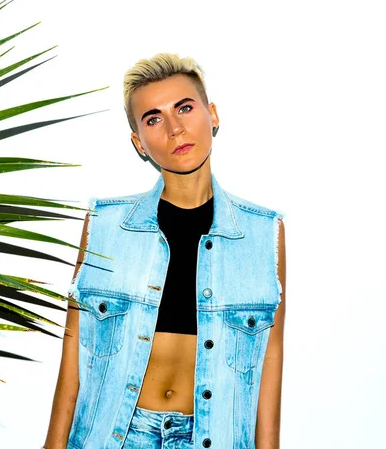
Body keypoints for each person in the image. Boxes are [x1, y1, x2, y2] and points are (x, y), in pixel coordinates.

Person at [43, 53, 286, 449]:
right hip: (115, 436)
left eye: (185, 108)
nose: (174, 129)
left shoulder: (263, 232)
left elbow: (269, 358)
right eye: (153, 119)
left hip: (214, 438)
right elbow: (74, 352)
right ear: (139, 142)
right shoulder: (104, 225)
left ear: (213, 115)